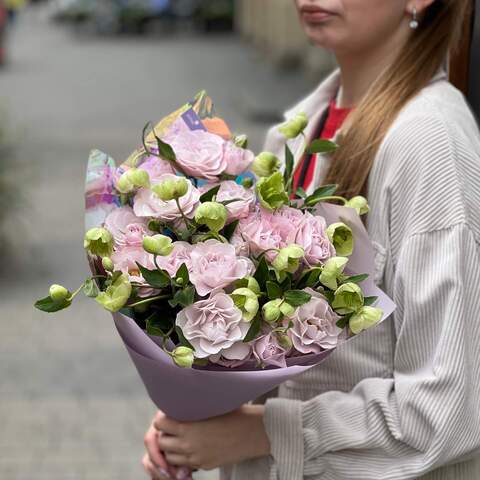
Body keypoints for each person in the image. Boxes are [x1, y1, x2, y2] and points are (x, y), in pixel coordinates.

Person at [143, 0, 480, 479]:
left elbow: (444, 409)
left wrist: (263, 433)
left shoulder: (428, 143)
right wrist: (193, 419)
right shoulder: (296, 132)